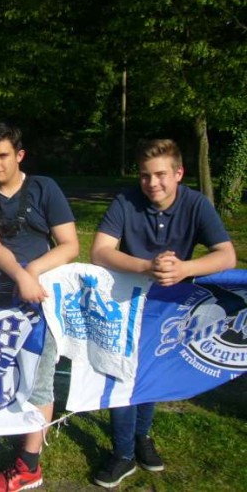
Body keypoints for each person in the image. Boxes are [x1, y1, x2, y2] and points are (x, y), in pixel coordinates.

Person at [90, 138, 236, 488]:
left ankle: (142, 438)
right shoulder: (126, 200)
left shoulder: (197, 204)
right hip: (125, 301)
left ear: (179, 174)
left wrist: (186, 268)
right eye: (144, 175)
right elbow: (99, 252)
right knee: (122, 375)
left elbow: (227, 256)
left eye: (160, 175)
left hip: (170, 305)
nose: (152, 183)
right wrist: (146, 265)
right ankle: (123, 454)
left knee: (152, 371)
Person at [0, 122, 79, 492]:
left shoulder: (46, 188)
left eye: (2, 156)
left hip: (41, 300)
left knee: (38, 380)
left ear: (19, 155)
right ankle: (6, 428)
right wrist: (19, 274)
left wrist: (33, 272)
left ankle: (29, 465)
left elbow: (69, 245)